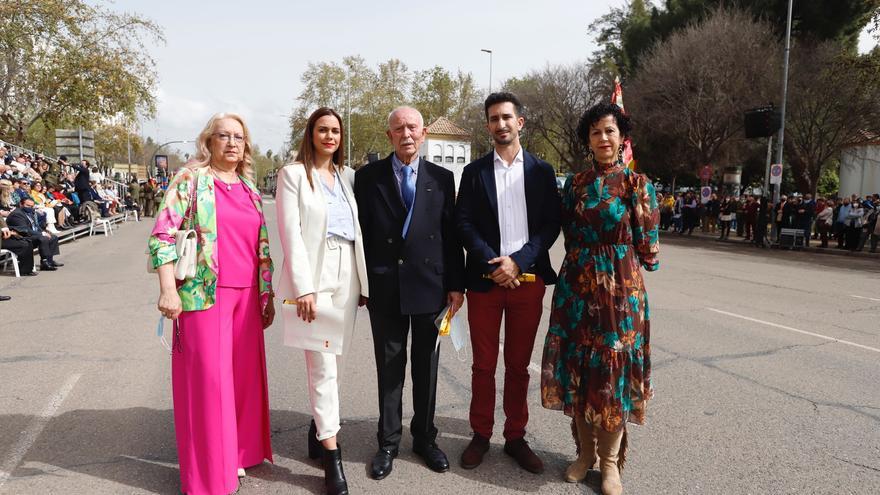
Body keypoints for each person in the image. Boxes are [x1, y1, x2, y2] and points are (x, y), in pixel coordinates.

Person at [148, 112, 275, 495]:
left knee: (241, 382)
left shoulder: (251, 189)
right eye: (224, 136)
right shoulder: (190, 180)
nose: (232, 143)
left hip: (247, 297)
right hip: (203, 295)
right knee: (209, 385)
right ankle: (207, 477)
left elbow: (262, 249)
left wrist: (266, 296)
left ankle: (233, 455)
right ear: (209, 141)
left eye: (239, 137)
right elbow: (162, 236)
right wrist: (168, 290)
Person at [541, 103, 659, 495]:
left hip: (620, 294)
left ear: (621, 136)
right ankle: (585, 454)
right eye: (595, 133)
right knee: (578, 370)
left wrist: (615, 263)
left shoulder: (636, 184)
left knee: (611, 375)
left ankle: (610, 464)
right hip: (576, 288)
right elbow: (567, 235)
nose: (603, 139)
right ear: (588, 141)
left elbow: (648, 248)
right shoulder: (573, 184)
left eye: (609, 131)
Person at [353, 106, 465, 480]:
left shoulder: (442, 178)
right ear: (389, 135)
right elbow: (362, 236)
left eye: (413, 128)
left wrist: (455, 285)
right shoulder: (368, 178)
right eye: (399, 128)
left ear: (424, 132)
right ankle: (388, 442)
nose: (406, 134)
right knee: (389, 368)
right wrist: (361, 284)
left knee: (427, 368)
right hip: (385, 288)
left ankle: (425, 438)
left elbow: (450, 237)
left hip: (430, 287)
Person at [454, 92, 561, 474]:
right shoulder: (473, 173)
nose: (501, 124)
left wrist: (519, 262)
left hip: (528, 282)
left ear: (521, 123)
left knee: (517, 366)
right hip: (484, 283)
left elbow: (551, 224)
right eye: (494, 119)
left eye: (507, 117)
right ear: (488, 125)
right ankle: (480, 434)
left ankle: (515, 436)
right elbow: (463, 222)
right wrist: (493, 262)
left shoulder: (542, 171)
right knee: (483, 366)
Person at [275, 107, 368, 495]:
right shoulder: (293, 175)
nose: (330, 136)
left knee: (338, 359)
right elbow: (291, 235)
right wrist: (304, 288)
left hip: (347, 269)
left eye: (335, 131)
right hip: (314, 274)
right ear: (310, 134)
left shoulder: (347, 177)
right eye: (323, 130)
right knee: (322, 366)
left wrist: (363, 282)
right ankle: (332, 453)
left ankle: (319, 428)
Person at [5, 197, 62, 271]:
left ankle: (49, 260)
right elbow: (24, 230)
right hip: (21, 237)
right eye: (28, 205)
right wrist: (41, 234)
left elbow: (35, 226)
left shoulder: (29, 212)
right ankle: (44, 262)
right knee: (43, 238)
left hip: (31, 234)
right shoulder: (17, 214)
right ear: (21, 204)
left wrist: (44, 231)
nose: (30, 208)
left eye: (32, 206)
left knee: (53, 237)